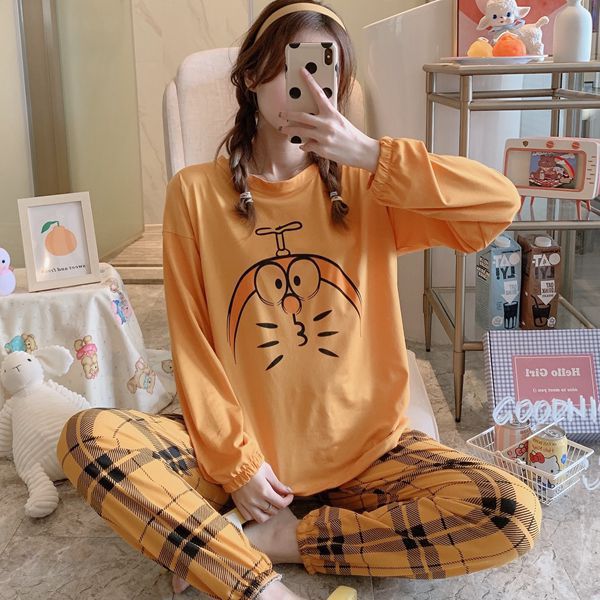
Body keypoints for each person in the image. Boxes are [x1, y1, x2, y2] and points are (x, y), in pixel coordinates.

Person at [56, 2, 542, 599]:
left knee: (508, 512)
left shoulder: (370, 183)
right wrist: (237, 467)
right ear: (250, 75)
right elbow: (192, 341)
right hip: (242, 461)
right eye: (294, 68)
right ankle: (259, 587)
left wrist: (370, 154)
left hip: (368, 456)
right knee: (89, 438)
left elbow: (498, 204)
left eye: (325, 72)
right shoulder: (195, 194)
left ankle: (277, 542)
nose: (310, 87)